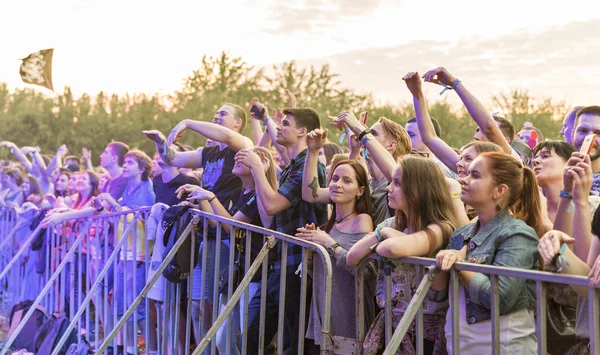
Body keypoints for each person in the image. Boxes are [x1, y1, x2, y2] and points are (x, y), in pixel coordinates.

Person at [143, 102, 253, 353]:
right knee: (197, 306)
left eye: (223, 114)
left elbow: (225, 136)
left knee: (219, 306)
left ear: (237, 123)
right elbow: (173, 158)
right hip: (205, 235)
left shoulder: (241, 146)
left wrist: (188, 123)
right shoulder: (209, 153)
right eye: (215, 113)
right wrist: (161, 141)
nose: (216, 116)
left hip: (226, 237)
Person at [347, 155, 465, 354]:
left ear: (419, 189)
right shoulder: (393, 223)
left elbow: (389, 249)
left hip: (424, 331)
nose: (388, 188)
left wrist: (383, 235)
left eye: (398, 183)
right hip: (394, 323)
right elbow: (352, 257)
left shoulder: (441, 228)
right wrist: (383, 232)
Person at [235, 106, 327, 355]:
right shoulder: (290, 167)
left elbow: (273, 205)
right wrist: (262, 173)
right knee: (250, 338)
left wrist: (256, 168)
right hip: (280, 266)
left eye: (285, 124)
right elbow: (268, 219)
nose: (279, 128)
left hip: (297, 268)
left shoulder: (308, 166)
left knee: (291, 344)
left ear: (302, 132)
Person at [434, 152, 542, 353]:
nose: (463, 180)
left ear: (499, 190)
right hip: (461, 346)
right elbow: (438, 294)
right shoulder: (461, 234)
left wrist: (459, 265)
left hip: (504, 347)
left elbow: (500, 298)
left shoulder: (518, 234)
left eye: (474, 175)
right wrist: (442, 263)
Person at [178, 146, 277, 355]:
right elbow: (216, 224)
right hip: (240, 274)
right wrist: (201, 199)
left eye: (243, 158)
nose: (236, 160)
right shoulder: (244, 192)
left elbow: (231, 227)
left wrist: (211, 197)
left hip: (256, 275)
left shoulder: (258, 194)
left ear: (258, 165)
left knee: (248, 340)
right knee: (223, 339)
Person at [297, 128, 376, 352]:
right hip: (324, 311)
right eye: (334, 178)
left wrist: (328, 244)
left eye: (346, 181)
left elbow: (364, 270)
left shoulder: (362, 221)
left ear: (360, 190)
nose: (337, 184)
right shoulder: (330, 222)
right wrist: (312, 249)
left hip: (349, 315)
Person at [330, 111, 412, 226]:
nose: (365, 136)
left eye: (373, 133)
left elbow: (396, 176)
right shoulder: (367, 183)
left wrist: (358, 128)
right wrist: (354, 150)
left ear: (391, 145)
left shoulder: (394, 186)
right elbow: (311, 196)